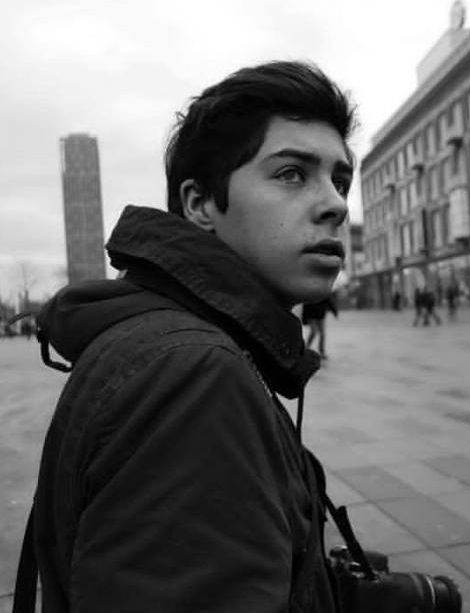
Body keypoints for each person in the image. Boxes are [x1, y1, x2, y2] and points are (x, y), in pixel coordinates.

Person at [16, 61, 355, 612]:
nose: (336, 204)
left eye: (340, 181)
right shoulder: (195, 375)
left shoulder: (166, 338)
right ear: (200, 204)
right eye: (292, 173)